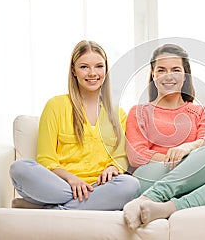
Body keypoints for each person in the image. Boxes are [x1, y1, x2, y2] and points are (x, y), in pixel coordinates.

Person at [123, 44, 205, 230]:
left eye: (175, 69)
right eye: (161, 70)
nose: (168, 75)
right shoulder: (139, 112)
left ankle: (166, 208)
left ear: (185, 74)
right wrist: (183, 162)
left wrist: (186, 149)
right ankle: (148, 197)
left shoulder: (201, 112)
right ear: (153, 75)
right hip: (151, 177)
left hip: (192, 179)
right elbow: (137, 155)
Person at [9, 40, 140, 210]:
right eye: (84, 67)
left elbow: (120, 157)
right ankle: (87, 204)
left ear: (106, 69)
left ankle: (55, 209)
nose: (92, 73)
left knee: (131, 185)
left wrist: (112, 167)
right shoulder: (55, 105)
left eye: (99, 66)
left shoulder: (118, 114)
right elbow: (46, 159)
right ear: (74, 70)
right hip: (60, 184)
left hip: (100, 187)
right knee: (19, 168)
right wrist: (71, 179)